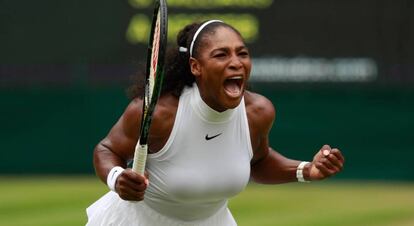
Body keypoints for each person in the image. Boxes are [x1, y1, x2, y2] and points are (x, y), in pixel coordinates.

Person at [86, 20, 345, 226]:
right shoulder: (161, 113)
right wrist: (118, 178)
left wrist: (306, 170)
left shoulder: (258, 112)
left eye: (242, 54)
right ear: (196, 67)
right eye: (221, 55)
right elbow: (108, 150)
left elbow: (258, 161)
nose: (236, 63)